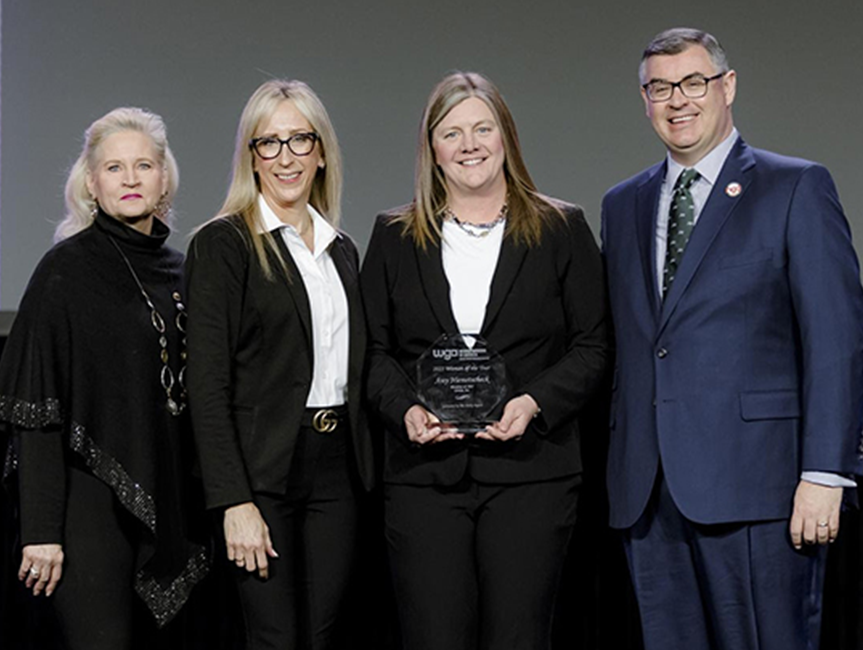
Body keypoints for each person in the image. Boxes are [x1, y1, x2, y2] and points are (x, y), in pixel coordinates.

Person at [600, 27, 863, 649]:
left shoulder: (794, 187)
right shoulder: (623, 205)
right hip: (650, 494)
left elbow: (837, 341)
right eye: (660, 88)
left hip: (762, 490)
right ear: (645, 100)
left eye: (693, 83)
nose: (678, 101)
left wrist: (826, 472)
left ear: (728, 87)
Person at [360, 71, 609, 650]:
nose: (469, 144)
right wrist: (405, 412)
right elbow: (371, 351)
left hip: (531, 473)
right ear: (433, 149)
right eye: (451, 133)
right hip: (425, 478)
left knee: (518, 638)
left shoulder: (560, 229)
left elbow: (594, 345)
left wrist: (533, 403)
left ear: (506, 138)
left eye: (481, 128)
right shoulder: (395, 235)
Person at [0, 107, 208, 649]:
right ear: (92, 182)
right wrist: (41, 533)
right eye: (115, 168)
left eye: (144, 165)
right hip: (88, 507)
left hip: (172, 497)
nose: (131, 178)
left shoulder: (183, 272)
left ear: (165, 178)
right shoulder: (64, 273)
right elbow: (36, 412)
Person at [186, 79, 375, 650]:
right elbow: (207, 385)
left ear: (322, 152)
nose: (286, 157)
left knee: (324, 635)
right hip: (262, 474)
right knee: (274, 639)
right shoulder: (224, 245)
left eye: (299, 140)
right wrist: (234, 501)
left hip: (337, 469)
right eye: (269, 143)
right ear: (252, 156)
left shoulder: (341, 249)